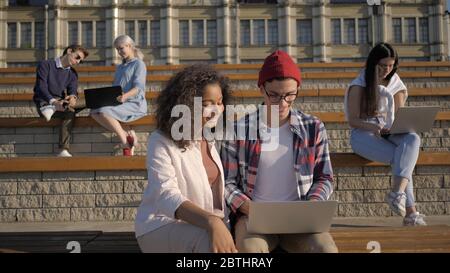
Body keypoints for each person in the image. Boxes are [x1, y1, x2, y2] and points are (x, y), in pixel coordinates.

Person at [220, 50, 338, 253]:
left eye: (290, 95)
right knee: (251, 250)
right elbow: (227, 182)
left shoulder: (313, 127)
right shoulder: (239, 130)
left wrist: (312, 205)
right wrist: (248, 208)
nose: (282, 103)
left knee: (326, 250)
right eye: (274, 95)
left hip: (300, 221)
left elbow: (324, 177)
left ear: (297, 90)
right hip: (255, 220)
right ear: (261, 89)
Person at [134, 64, 237, 253]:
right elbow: (166, 196)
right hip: (160, 225)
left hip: (203, 224)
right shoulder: (161, 140)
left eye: (220, 102)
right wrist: (211, 221)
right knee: (210, 243)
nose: (216, 110)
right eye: (206, 104)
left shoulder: (210, 137)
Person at [345, 42, 426, 226]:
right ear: (373, 63)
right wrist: (374, 127)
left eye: (391, 65)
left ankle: (397, 194)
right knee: (403, 158)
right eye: (382, 66)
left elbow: (399, 116)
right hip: (363, 134)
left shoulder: (396, 83)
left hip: (389, 133)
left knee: (413, 138)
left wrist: (398, 126)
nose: (386, 70)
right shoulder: (359, 85)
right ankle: (411, 213)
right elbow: (353, 121)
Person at [90, 35, 147, 156]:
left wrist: (125, 96)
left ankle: (125, 144)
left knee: (104, 111)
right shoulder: (120, 67)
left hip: (134, 103)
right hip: (120, 101)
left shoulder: (139, 64)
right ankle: (127, 134)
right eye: (117, 49)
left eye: (121, 48)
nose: (119, 52)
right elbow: (116, 87)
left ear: (130, 46)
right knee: (93, 111)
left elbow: (138, 87)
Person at [33, 44, 89, 157]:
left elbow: (73, 90)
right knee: (69, 111)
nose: (78, 62)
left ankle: (55, 107)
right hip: (44, 102)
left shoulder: (72, 73)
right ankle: (63, 149)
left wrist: (73, 97)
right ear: (69, 51)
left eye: (80, 61)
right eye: (77, 57)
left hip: (62, 103)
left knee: (91, 100)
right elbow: (41, 87)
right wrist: (53, 102)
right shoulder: (46, 64)